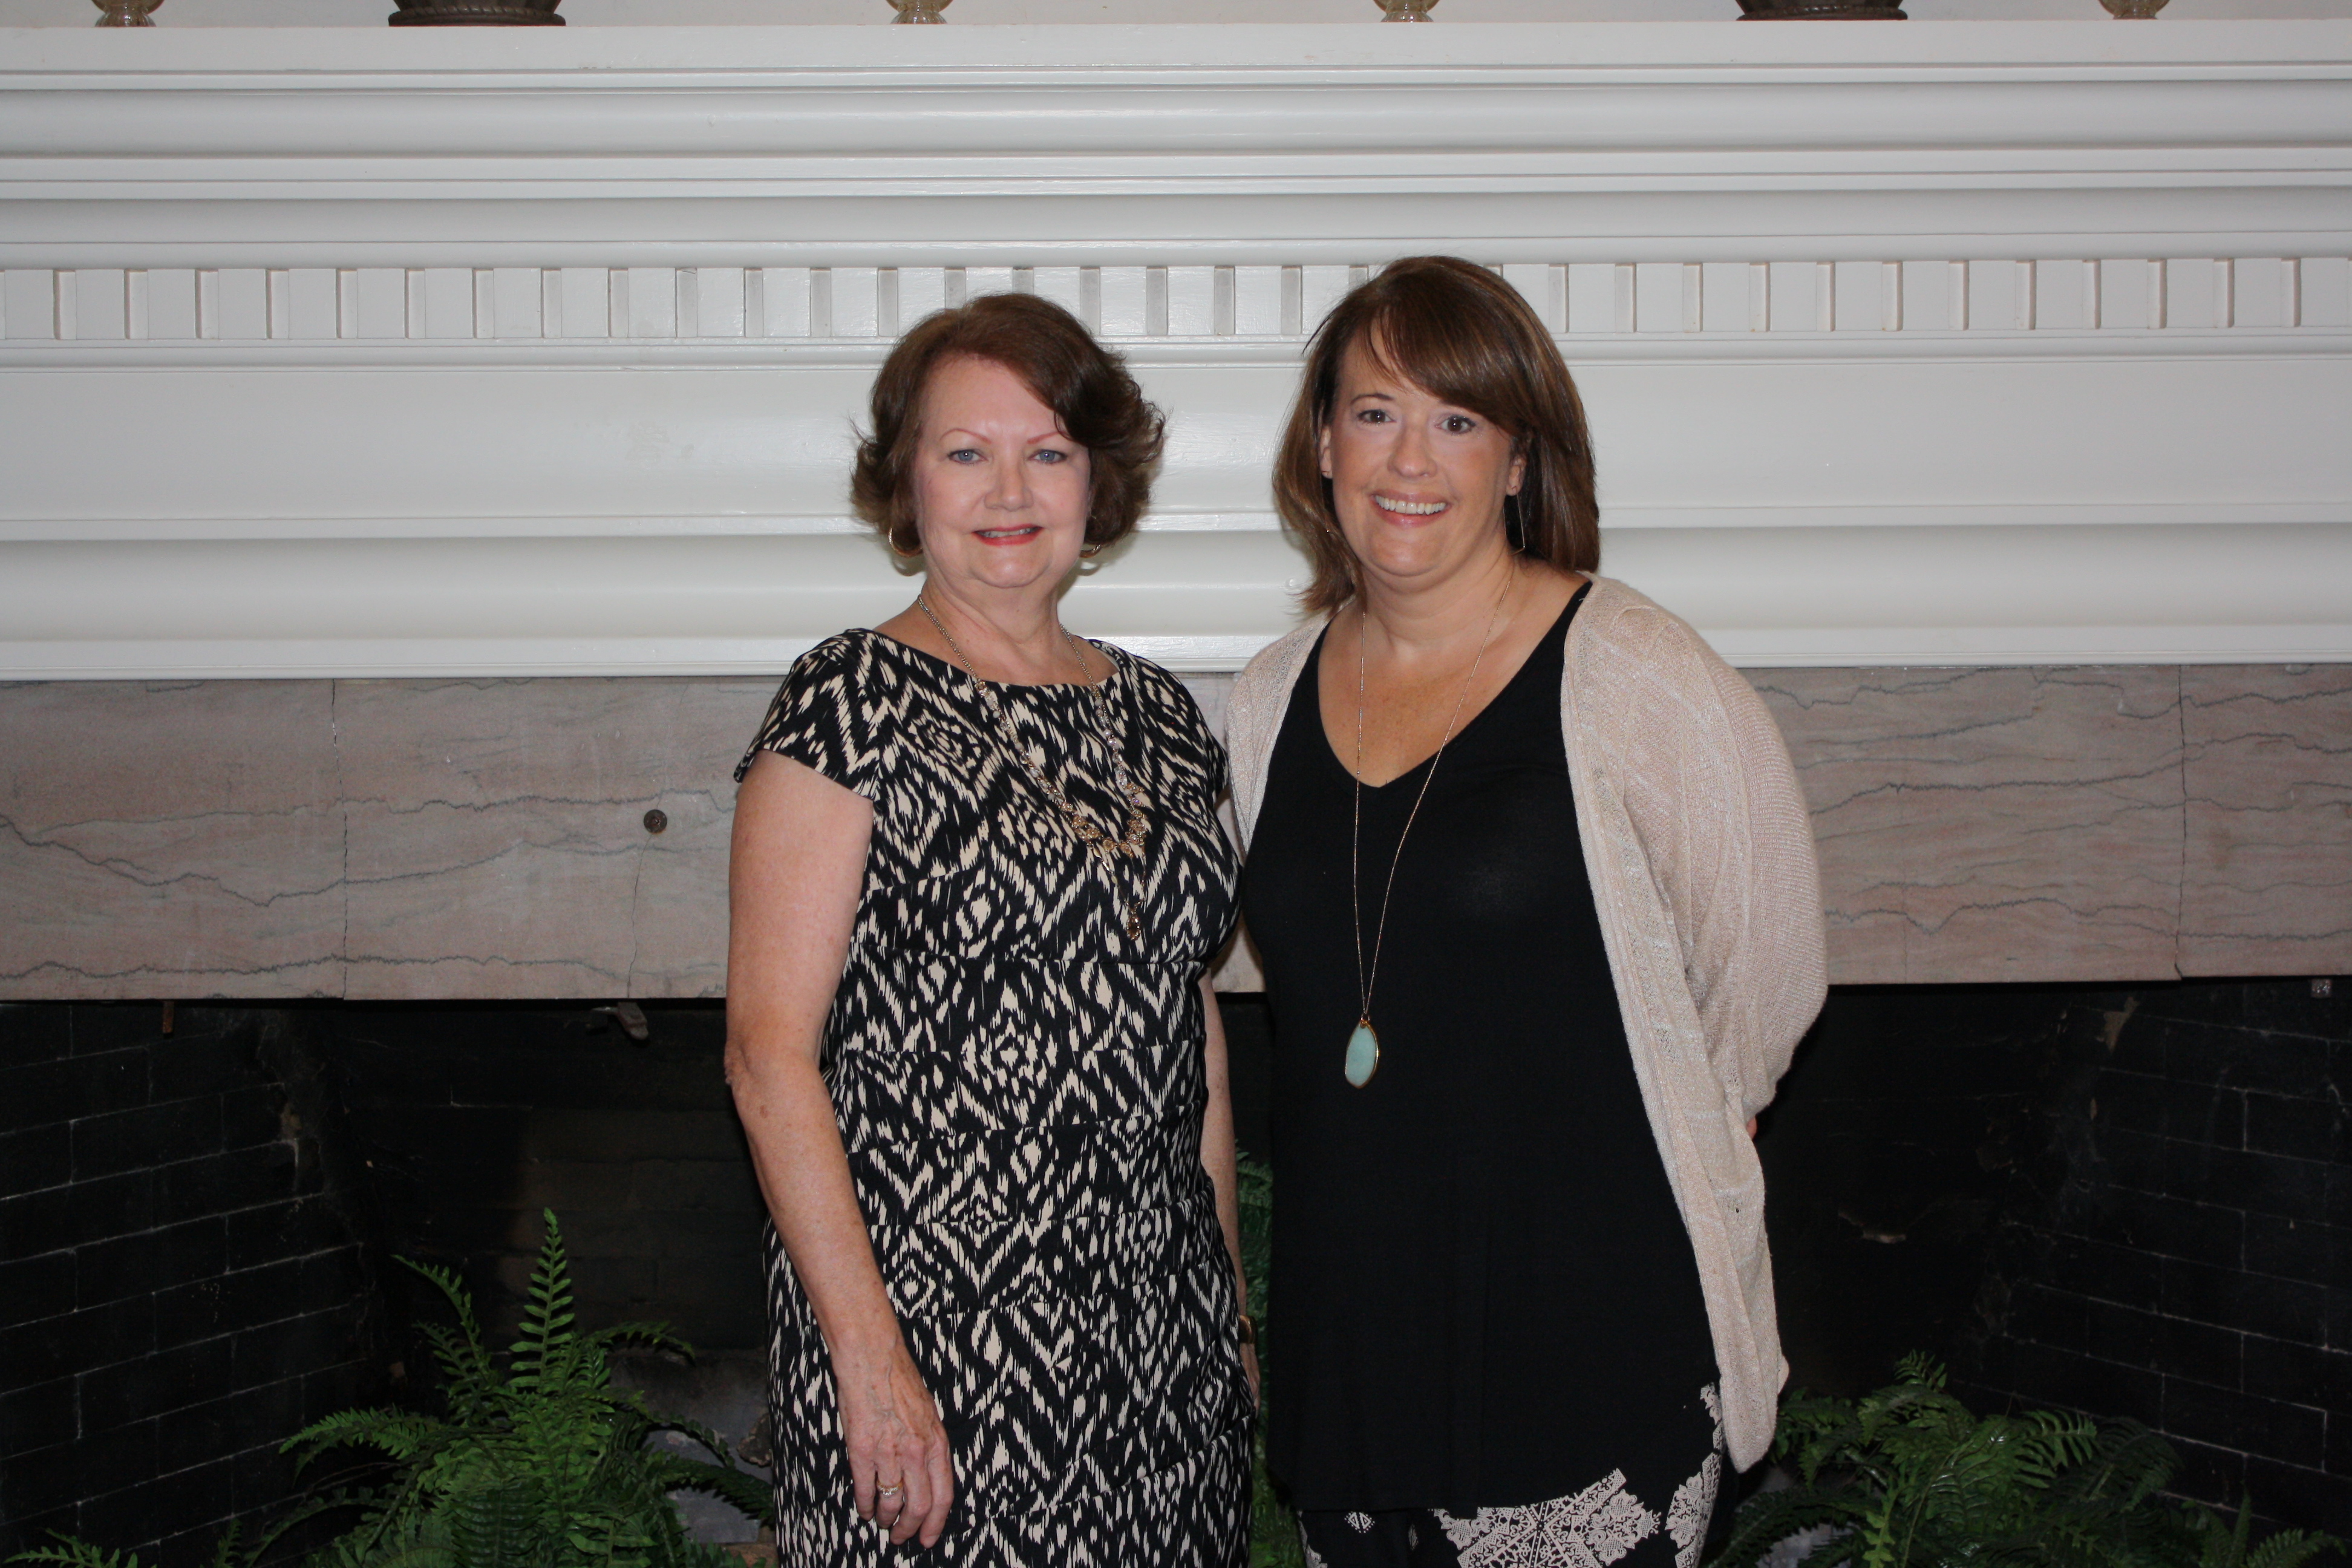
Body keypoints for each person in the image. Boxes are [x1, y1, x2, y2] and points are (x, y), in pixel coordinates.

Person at [1226, 256, 1826, 1568]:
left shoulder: (1638, 672)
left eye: (1458, 419)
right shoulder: (1268, 699)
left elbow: (1766, 978)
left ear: (1517, 460)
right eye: (1375, 412)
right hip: (1356, 1361)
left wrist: (1690, 1129)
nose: (1410, 459)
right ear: (1323, 444)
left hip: (1591, 1356)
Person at [726, 292, 1255, 1567]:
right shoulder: (848, 704)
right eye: (966, 452)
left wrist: (1230, 1311)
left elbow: (1190, 1025)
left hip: (1159, 1338)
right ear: (908, 482)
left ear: (1096, 480)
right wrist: (870, 1362)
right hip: (938, 1337)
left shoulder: (1161, 718)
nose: (1009, 491)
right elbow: (766, 1057)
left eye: (1048, 451)